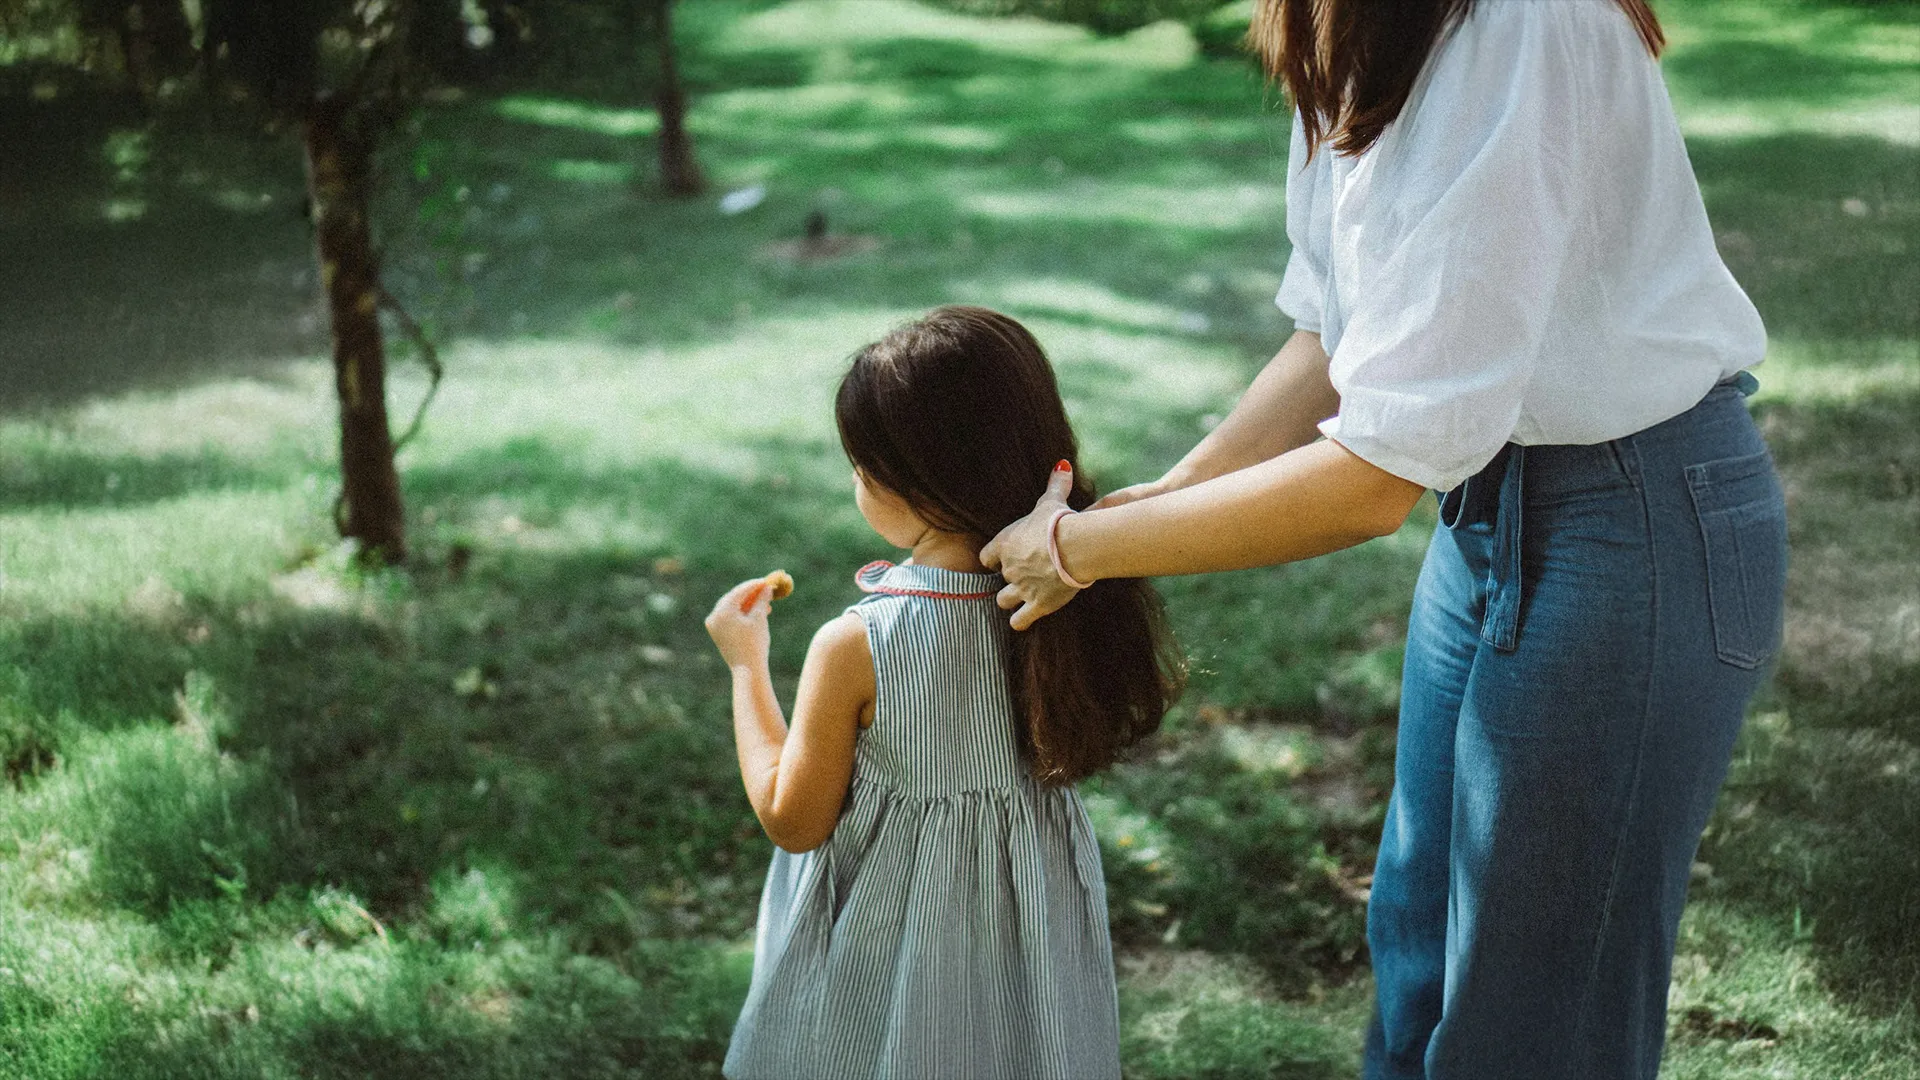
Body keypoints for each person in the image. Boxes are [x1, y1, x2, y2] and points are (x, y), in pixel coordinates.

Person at [981, 1, 1788, 1078]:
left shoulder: (1522, 27)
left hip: (1632, 522)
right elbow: (1336, 332)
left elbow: (1373, 480)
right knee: (1419, 949)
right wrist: (1146, 502)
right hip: (1494, 513)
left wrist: (1080, 555)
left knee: (1535, 1015)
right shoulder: (1344, 20)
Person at [703, 306, 1184, 1080]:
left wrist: (744, 666)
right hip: (1025, 936)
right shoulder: (1075, 589)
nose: (855, 480)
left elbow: (792, 820)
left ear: (917, 484)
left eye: (861, 467)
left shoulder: (858, 644)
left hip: (891, 945)